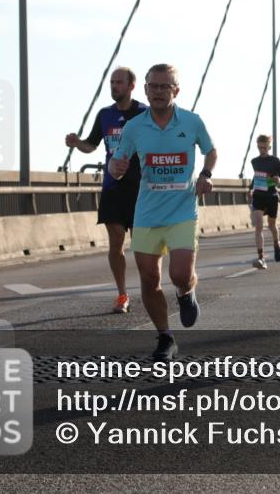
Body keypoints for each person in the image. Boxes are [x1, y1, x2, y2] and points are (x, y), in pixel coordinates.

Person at [109, 64, 216, 361]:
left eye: (164, 86)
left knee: (180, 274)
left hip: (182, 210)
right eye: (153, 86)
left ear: (176, 91)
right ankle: (165, 337)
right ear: (145, 89)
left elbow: (211, 150)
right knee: (149, 279)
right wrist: (114, 168)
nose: (158, 91)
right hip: (146, 214)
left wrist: (206, 174)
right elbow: (118, 160)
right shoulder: (133, 127)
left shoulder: (192, 122)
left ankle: (186, 292)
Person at [65, 66, 147, 314]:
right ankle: (122, 294)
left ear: (131, 86)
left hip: (140, 188)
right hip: (113, 186)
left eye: (119, 82)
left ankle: (148, 287)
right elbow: (92, 145)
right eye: (112, 82)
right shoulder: (105, 115)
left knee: (142, 246)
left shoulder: (144, 113)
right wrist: (77, 143)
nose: (114, 86)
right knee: (115, 242)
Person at [248, 134, 280, 269]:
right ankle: (261, 258)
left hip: (271, 195)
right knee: (258, 226)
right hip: (258, 195)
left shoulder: (275, 161)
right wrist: (250, 188)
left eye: (264, 147)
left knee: (271, 226)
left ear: (269, 147)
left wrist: (279, 180)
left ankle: (277, 244)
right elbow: (257, 176)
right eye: (259, 147)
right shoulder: (254, 161)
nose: (262, 150)